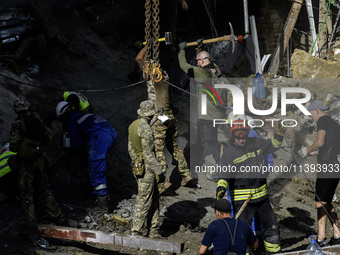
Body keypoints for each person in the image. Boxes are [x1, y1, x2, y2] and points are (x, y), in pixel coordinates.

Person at [216, 119, 285, 254]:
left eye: (244, 137)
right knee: (243, 231)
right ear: (233, 135)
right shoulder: (229, 154)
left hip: (262, 197)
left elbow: (273, 145)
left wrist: (278, 133)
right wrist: (221, 189)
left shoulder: (257, 143)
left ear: (247, 133)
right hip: (243, 200)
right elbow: (224, 175)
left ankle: (274, 252)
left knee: (271, 226)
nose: (241, 140)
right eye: (238, 138)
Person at [135, 47, 193, 189]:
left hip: (160, 116)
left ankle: (162, 182)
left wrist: (147, 46)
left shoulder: (155, 74)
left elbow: (138, 59)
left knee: (158, 149)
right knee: (173, 145)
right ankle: (186, 175)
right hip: (168, 116)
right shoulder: (164, 75)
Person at [9, 98, 64, 224]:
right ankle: (58, 215)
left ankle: (32, 223)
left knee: (26, 193)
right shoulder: (36, 119)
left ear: (16, 110)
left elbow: (13, 146)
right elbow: (48, 136)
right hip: (39, 159)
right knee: (42, 189)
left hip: (26, 163)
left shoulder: (17, 124)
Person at [56, 101, 117, 213]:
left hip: (100, 137)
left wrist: (72, 157)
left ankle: (103, 206)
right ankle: (96, 195)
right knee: (92, 163)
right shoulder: (83, 115)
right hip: (111, 133)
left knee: (96, 169)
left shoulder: (72, 121)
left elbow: (77, 144)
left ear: (63, 115)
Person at [298, 100, 340, 247]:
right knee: (326, 201)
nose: (311, 118)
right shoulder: (335, 124)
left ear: (316, 110)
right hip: (334, 166)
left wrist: (307, 149)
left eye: (310, 115)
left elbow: (320, 142)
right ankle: (337, 235)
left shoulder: (322, 120)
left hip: (326, 167)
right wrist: (316, 152)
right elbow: (332, 147)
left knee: (319, 202)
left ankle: (321, 239)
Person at [178, 41, 225, 167]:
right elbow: (203, 59)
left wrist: (182, 51)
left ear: (203, 61)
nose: (197, 64)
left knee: (210, 140)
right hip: (218, 112)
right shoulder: (215, 69)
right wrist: (199, 49)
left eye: (198, 61)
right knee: (204, 135)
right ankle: (198, 158)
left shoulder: (201, 73)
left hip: (208, 114)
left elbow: (184, 66)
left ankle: (220, 165)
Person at [128, 100, 166, 238]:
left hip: (138, 166)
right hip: (148, 169)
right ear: (150, 115)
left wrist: (137, 163)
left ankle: (153, 229)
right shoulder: (146, 129)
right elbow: (149, 154)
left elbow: (130, 149)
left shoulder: (133, 125)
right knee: (144, 200)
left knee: (154, 198)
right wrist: (158, 171)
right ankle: (136, 231)